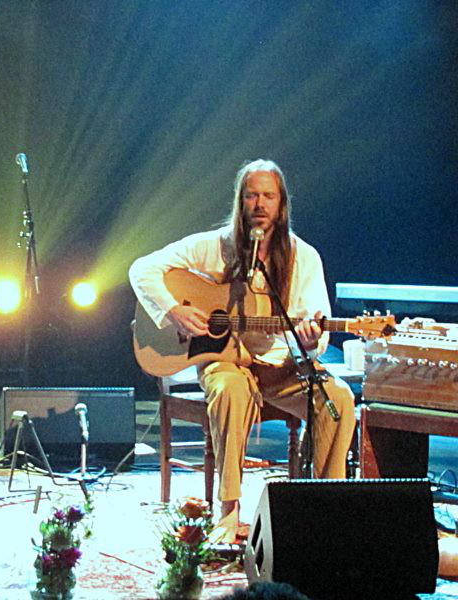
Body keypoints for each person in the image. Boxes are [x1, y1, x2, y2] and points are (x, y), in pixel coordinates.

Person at [129, 159, 355, 542]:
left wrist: (307, 339)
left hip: (280, 367)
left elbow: (317, 334)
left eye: (268, 196)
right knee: (231, 388)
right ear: (240, 202)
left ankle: (325, 506)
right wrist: (174, 311)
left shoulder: (304, 258)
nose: (260, 204)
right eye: (252, 195)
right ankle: (228, 512)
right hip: (226, 364)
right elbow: (142, 269)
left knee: (338, 397)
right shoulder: (215, 245)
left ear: (282, 205)